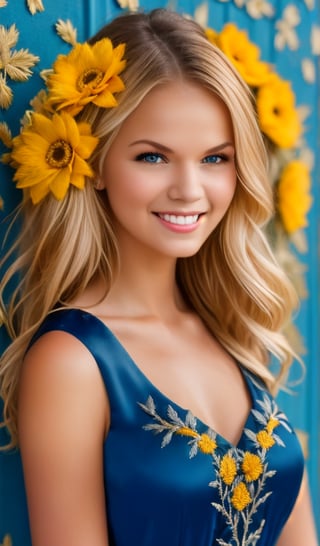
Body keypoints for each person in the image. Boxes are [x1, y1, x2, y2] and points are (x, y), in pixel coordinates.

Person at [0, 8, 318, 546]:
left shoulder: (231, 326)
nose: (190, 189)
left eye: (215, 158)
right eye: (153, 157)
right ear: (95, 162)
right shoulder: (72, 362)